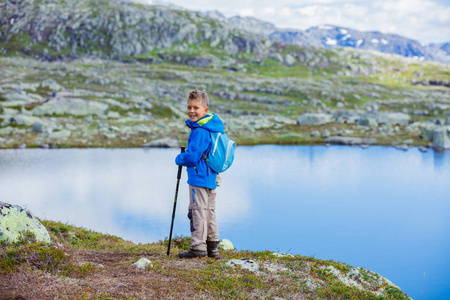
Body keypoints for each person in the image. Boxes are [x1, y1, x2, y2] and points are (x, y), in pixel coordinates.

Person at [175, 90, 224, 259]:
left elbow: (192, 157)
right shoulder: (212, 127)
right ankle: (212, 247)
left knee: (198, 211)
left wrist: (179, 158)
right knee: (209, 211)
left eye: (196, 107)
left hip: (199, 177)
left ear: (205, 109)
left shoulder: (200, 131)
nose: (192, 111)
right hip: (211, 176)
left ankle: (198, 248)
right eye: (189, 107)